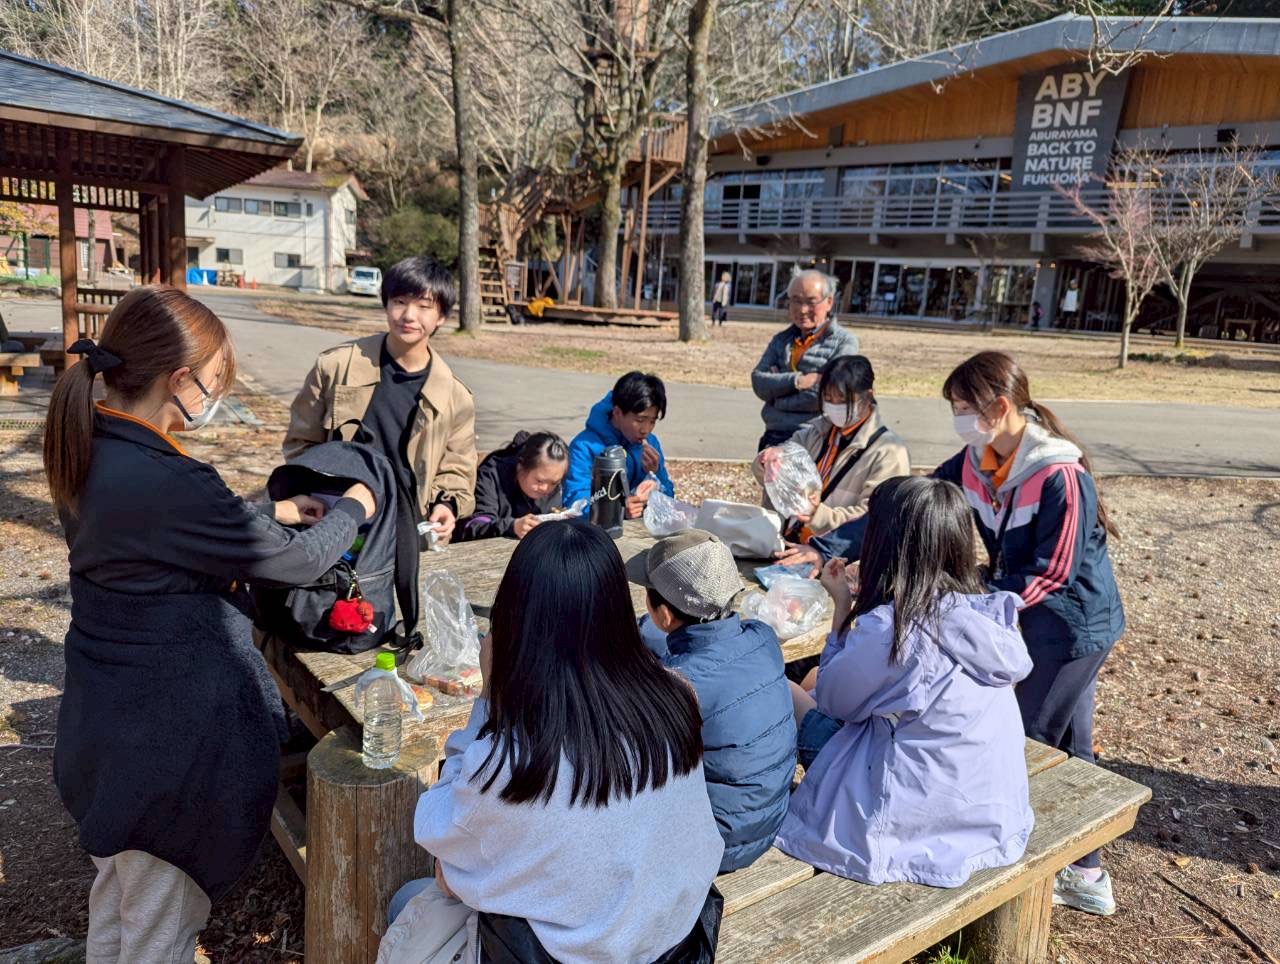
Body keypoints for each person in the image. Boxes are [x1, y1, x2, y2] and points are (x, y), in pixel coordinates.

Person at [43, 286, 378, 962]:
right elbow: (296, 565)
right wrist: (354, 508)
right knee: (157, 933)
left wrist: (273, 512)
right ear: (180, 380)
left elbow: (166, 532)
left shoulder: (91, 441)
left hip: (104, 726)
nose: (218, 394)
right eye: (216, 380)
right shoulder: (168, 479)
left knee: (119, 902)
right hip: (163, 748)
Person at [378, 521, 724, 963]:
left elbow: (437, 834)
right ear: (618, 612)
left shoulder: (516, 761)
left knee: (406, 899)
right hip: (675, 942)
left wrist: (489, 698)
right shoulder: (676, 697)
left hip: (568, 953)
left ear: (516, 622)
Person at [933, 350, 1125, 916]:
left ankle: (1021, 870)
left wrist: (982, 601)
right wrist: (828, 542)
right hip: (1034, 621)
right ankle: (1087, 872)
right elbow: (919, 504)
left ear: (999, 407)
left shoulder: (1059, 474)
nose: (959, 419)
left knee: (1028, 738)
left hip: (1072, 627)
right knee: (1072, 747)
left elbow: (1053, 572)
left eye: (964, 407)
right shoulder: (979, 460)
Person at [774, 476, 1034, 888]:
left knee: (785, 691)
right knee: (811, 678)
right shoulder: (982, 612)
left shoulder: (893, 629)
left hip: (910, 824)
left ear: (887, 542)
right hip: (985, 810)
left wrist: (842, 608)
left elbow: (836, 701)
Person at [627, 530, 796, 873]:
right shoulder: (762, 639)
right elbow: (699, 653)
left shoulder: (675, 688)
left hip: (711, 846)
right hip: (766, 822)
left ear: (665, 616)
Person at [284, 255, 477, 544]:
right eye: (399, 301)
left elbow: (458, 467)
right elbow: (301, 442)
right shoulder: (336, 367)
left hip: (407, 530)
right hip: (333, 521)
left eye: (424, 306)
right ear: (386, 304)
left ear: (441, 317)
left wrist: (446, 504)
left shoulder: (455, 396)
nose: (409, 315)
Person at [754, 355, 910, 576]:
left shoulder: (889, 452)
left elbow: (873, 521)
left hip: (835, 565)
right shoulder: (815, 432)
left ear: (868, 396)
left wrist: (818, 515)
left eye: (843, 399)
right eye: (828, 398)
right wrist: (766, 461)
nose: (834, 406)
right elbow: (772, 473)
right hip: (787, 549)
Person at [750, 269, 860, 451]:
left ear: (829, 302)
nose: (802, 309)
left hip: (815, 440)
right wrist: (798, 381)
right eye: (796, 300)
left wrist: (776, 398)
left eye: (811, 301)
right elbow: (759, 382)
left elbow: (831, 393)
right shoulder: (781, 340)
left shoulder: (845, 342)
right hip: (773, 436)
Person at [563, 370, 674, 518]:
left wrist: (656, 475)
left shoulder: (651, 443)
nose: (646, 429)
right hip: (598, 530)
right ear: (617, 413)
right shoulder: (584, 447)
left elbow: (669, 499)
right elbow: (574, 504)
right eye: (640, 420)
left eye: (652, 421)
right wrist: (617, 510)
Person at [455, 431, 568, 542]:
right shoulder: (492, 475)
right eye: (539, 481)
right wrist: (512, 526)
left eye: (554, 483)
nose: (545, 488)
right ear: (521, 466)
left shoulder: (554, 489)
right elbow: (473, 526)